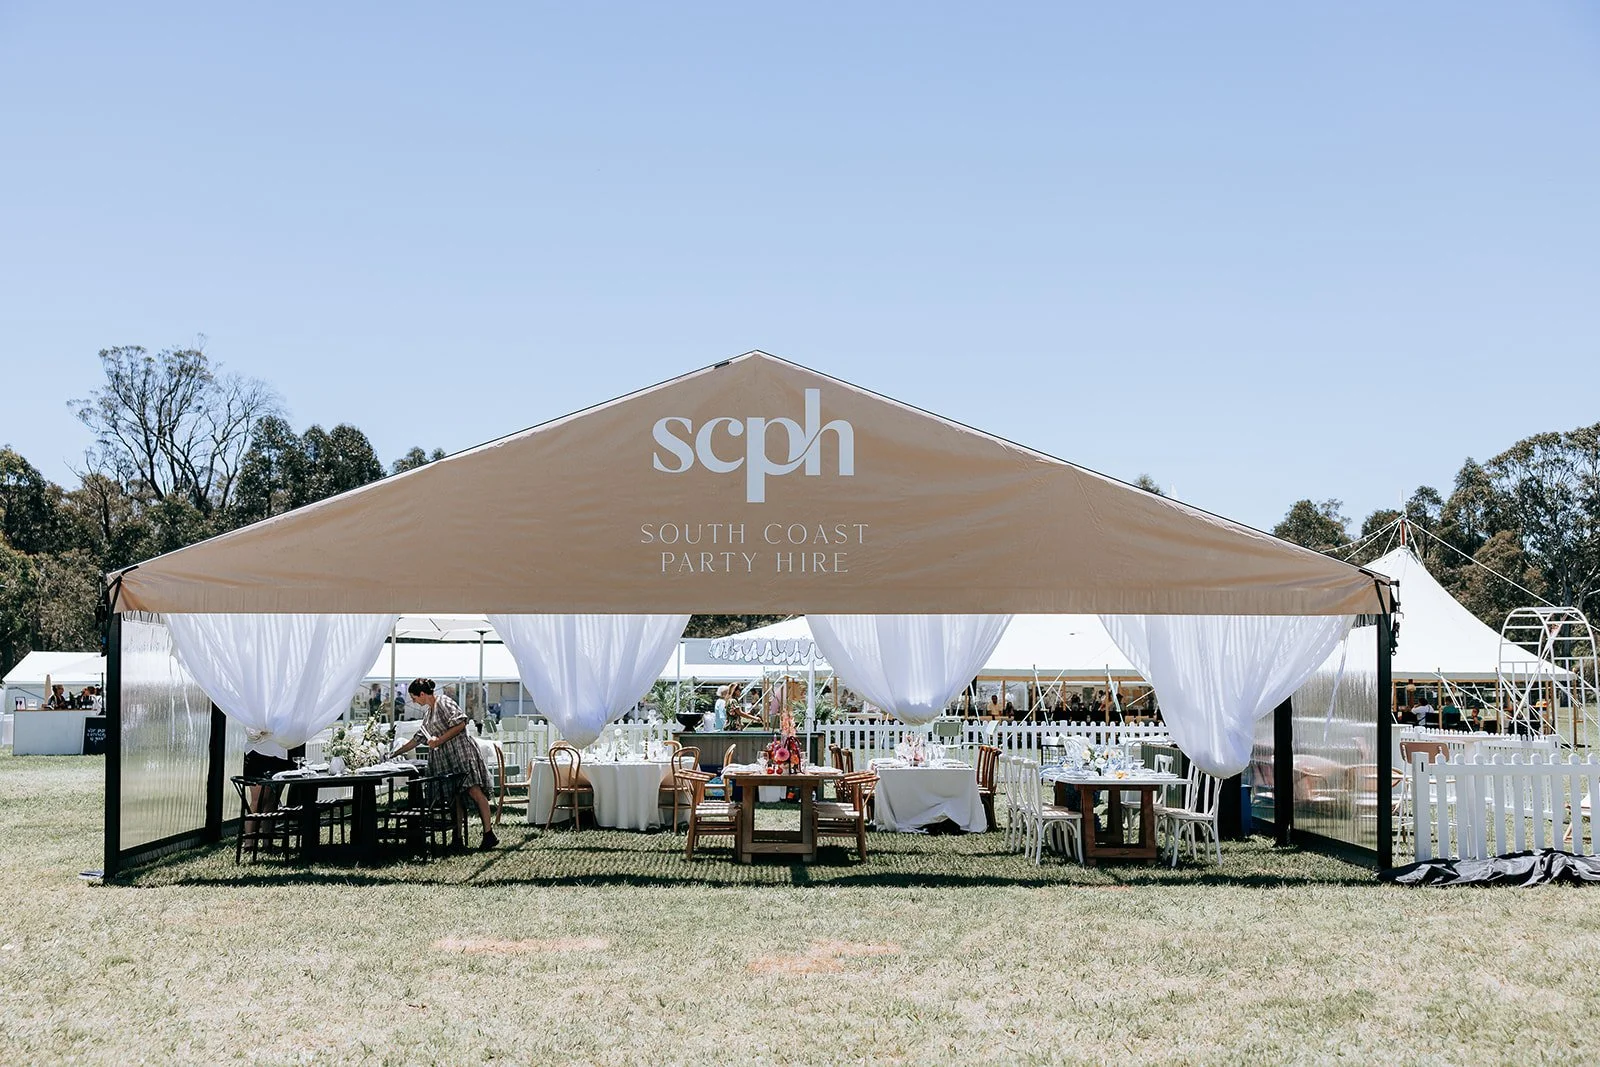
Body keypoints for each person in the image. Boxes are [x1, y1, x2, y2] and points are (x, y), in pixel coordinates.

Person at [389, 677, 497, 849]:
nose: (414, 701)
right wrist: (395, 753)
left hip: (461, 753)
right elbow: (418, 738)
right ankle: (458, 838)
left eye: (414, 698)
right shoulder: (428, 713)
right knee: (456, 798)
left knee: (474, 791)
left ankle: (488, 833)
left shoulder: (444, 702)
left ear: (422, 694)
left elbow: (461, 723)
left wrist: (438, 741)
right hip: (448, 759)